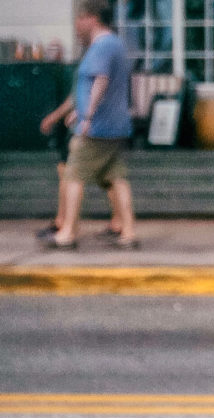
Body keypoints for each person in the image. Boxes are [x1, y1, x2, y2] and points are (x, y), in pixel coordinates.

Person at [41, 0, 138, 250]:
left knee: (73, 176)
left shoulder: (102, 46)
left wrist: (87, 116)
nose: (76, 25)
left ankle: (68, 233)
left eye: (79, 19)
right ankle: (128, 232)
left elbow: (101, 80)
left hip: (97, 128)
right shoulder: (113, 44)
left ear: (91, 18)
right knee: (116, 177)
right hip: (112, 126)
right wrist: (80, 111)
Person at [38, 62, 122, 242]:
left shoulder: (94, 60)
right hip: (95, 129)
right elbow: (80, 96)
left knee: (72, 175)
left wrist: (81, 115)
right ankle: (118, 222)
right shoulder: (94, 60)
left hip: (88, 131)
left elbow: (86, 95)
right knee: (107, 177)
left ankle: (66, 225)